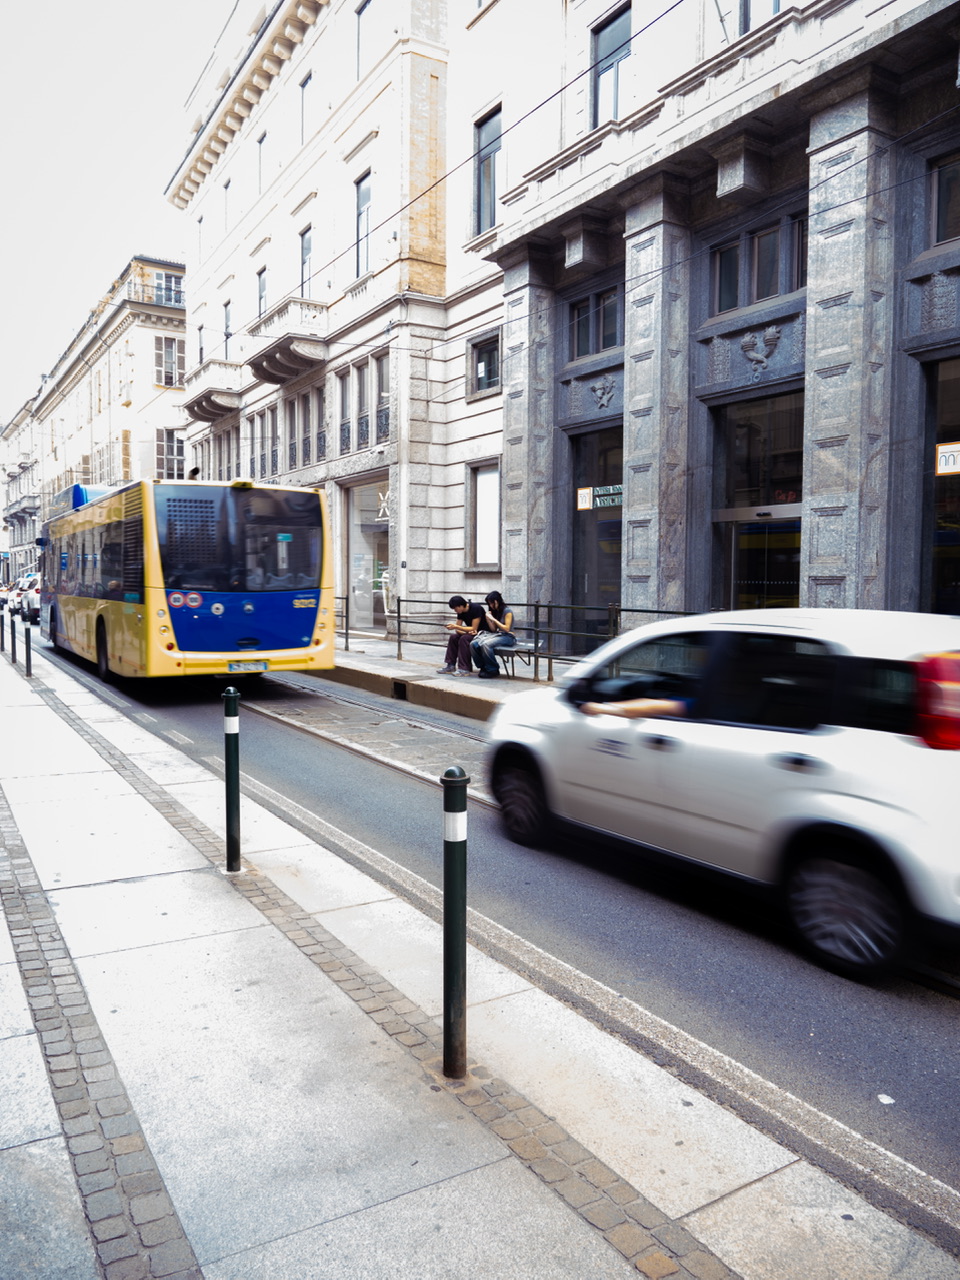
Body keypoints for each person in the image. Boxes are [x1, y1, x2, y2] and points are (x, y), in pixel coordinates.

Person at [437, 595, 487, 676]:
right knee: (454, 637)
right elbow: (458, 630)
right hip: (471, 633)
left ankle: (464, 668)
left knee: (464, 639)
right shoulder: (460, 612)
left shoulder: (476, 608)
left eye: (455, 608)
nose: (455, 611)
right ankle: (450, 665)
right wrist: (459, 629)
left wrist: (456, 627)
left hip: (482, 633)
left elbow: (474, 628)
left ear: (461, 606)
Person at [470, 591, 516, 679]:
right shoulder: (496, 611)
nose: (490, 606)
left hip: (508, 636)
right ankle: (483, 667)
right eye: (489, 604)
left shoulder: (507, 611)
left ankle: (493, 669)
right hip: (497, 635)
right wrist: (488, 619)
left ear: (496, 601)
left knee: (486, 644)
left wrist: (493, 619)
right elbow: (493, 629)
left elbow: (507, 629)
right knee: (473, 644)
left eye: (491, 603)